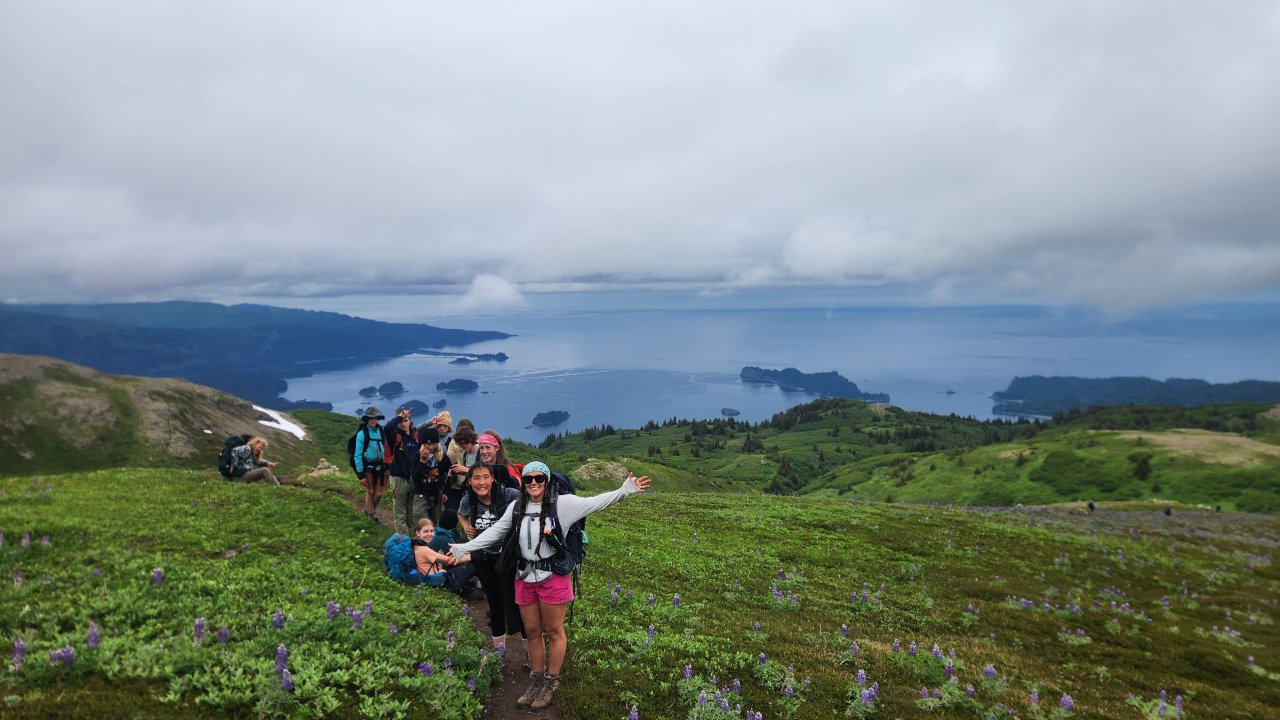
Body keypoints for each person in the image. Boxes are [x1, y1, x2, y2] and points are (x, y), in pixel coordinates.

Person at [451, 462, 651, 710]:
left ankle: (551, 681)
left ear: (547, 480)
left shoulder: (563, 504)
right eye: (528, 479)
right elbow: (495, 533)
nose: (533, 483)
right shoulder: (517, 506)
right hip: (524, 577)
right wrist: (464, 548)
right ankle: (536, 680)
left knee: (554, 631)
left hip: (552, 577)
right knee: (533, 631)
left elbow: (596, 502)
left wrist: (625, 490)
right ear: (522, 482)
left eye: (539, 478)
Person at [457, 463, 522, 649]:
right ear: (469, 481)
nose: (482, 482)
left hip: (508, 557)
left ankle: (529, 652)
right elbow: (461, 514)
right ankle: (499, 651)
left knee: (517, 603)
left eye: (486, 477)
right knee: (495, 606)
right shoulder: (468, 500)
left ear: (492, 478)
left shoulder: (508, 495)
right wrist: (466, 527)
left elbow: (529, 503)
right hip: (484, 558)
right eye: (476, 478)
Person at [386, 414, 421, 535]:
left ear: (410, 422)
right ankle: (403, 541)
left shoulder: (415, 436)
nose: (403, 423)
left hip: (412, 478)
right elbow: (387, 428)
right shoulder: (394, 435)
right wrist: (398, 417)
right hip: (398, 478)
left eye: (405, 420)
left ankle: (411, 538)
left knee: (411, 511)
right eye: (400, 421)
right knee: (400, 512)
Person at [408, 427, 447, 526]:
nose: (430, 447)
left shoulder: (442, 456)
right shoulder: (416, 456)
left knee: (435, 523)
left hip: (436, 493)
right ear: (423, 443)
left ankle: (434, 541)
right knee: (421, 523)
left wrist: (445, 491)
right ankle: (421, 540)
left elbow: (448, 473)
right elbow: (415, 478)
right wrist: (422, 461)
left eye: (433, 444)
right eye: (428, 444)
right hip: (421, 493)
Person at [355, 406, 389, 519]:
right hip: (368, 467)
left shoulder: (382, 431)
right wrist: (361, 474)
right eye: (371, 418)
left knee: (379, 493)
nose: (374, 420)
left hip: (381, 466)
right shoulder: (362, 434)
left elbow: (387, 449)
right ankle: (371, 514)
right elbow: (358, 455)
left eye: (375, 418)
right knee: (370, 491)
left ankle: (370, 511)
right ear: (367, 419)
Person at [444, 425, 480, 512]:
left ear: (470, 439)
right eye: (459, 444)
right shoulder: (466, 454)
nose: (462, 446)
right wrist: (457, 470)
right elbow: (468, 473)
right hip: (470, 490)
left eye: (464, 443)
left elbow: (485, 472)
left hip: (480, 491)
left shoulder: (480, 451)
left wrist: (466, 470)